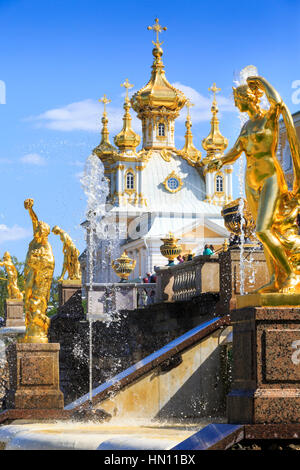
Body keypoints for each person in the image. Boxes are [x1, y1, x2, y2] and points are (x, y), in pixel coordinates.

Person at [207, 75, 300, 293]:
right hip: (251, 180)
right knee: (263, 232)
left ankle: (292, 274)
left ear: (246, 98)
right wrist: (219, 161)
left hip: (269, 176)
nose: (236, 104)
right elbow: (236, 151)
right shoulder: (247, 126)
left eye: (236, 99)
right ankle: (276, 278)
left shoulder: (268, 117)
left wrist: (261, 81)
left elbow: (278, 102)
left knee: (264, 229)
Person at [22, 198, 55, 343]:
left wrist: (36, 262)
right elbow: (34, 220)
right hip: (30, 275)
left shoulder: (46, 247)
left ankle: (40, 326)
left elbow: (50, 262)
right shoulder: (35, 242)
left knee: (36, 303)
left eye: (39, 230)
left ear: (44, 233)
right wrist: (30, 209)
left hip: (41, 281)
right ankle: (30, 326)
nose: (36, 231)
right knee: (27, 298)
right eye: (36, 230)